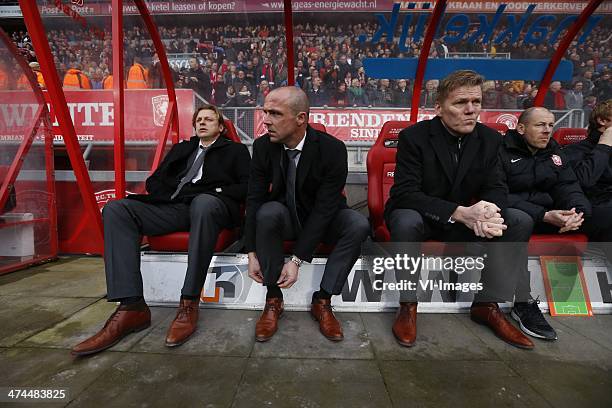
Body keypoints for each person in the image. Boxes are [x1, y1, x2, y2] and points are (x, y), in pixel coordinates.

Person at [71, 105, 250, 356]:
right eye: (198, 119)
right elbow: (154, 181)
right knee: (116, 210)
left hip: (212, 207)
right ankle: (131, 307)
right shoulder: (182, 149)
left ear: (221, 127)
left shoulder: (236, 151)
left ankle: (189, 302)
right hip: (175, 207)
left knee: (203, 203)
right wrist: (168, 194)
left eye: (209, 119)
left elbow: (248, 186)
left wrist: (214, 192)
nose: (202, 123)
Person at [385, 70, 535, 349]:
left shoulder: (490, 139)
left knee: (519, 220)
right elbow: (405, 193)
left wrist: (487, 212)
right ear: (439, 108)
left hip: (468, 219)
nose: (471, 110)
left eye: (476, 102)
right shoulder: (413, 137)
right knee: (405, 220)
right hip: (426, 216)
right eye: (460, 103)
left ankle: (486, 304)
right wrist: (460, 212)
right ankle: (407, 304)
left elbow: (497, 187)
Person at [245, 86, 369, 342]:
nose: (266, 120)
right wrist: (251, 251)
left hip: (323, 219)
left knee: (357, 224)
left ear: (301, 118)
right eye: (265, 112)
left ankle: (323, 300)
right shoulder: (263, 146)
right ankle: (273, 298)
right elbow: (254, 198)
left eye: (275, 114)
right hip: (286, 218)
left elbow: (325, 209)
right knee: (268, 211)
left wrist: (298, 259)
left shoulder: (332, 148)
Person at [499, 107, 594, 341]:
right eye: (540, 125)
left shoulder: (555, 154)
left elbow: (569, 187)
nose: (547, 131)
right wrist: (543, 214)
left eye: (551, 125)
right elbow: (497, 196)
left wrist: (575, 213)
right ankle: (523, 301)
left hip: (547, 214)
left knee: (594, 213)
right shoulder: (499, 151)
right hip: (511, 215)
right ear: (521, 128)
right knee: (520, 221)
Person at [564, 100, 612, 262]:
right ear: (603, 120)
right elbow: (585, 181)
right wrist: (604, 145)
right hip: (593, 210)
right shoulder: (575, 150)